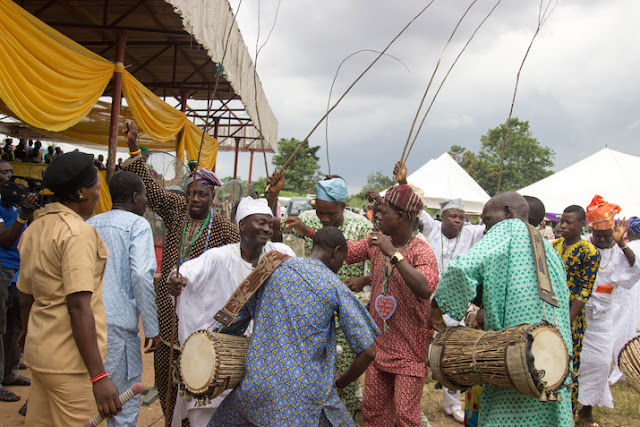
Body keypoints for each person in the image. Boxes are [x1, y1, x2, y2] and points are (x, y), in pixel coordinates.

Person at [120, 120, 239, 422]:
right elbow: (153, 192)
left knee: (198, 380)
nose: (195, 200)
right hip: (167, 311)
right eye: (191, 194)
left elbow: (242, 259)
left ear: (213, 198)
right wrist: (134, 146)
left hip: (201, 318)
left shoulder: (225, 230)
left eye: (202, 195)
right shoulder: (176, 211)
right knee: (164, 378)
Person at [209, 226, 379, 426]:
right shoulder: (335, 287)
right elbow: (368, 351)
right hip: (300, 397)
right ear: (337, 251)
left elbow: (234, 320)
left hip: (257, 385)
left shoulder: (272, 267)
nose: (342, 264)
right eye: (344, 258)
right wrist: (340, 383)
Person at [432, 191, 573, 427]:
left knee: (509, 411)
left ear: (507, 212)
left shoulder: (507, 230)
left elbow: (461, 269)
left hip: (518, 355)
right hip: (556, 356)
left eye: (487, 220)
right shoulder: (548, 248)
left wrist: (438, 307)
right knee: (548, 413)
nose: (485, 228)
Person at [167, 196, 294, 426]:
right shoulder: (220, 256)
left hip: (267, 356)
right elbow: (185, 273)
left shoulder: (282, 255)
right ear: (242, 225)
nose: (267, 229)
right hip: (226, 355)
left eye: (269, 223)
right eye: (260, 223)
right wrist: (175, 281)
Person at [17, 151, 122, 425]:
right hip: (71, 364)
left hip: (40, 354)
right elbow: (78, 305)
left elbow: (25, 295)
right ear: (79, 193)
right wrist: (99, 376)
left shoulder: (35, 228)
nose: (99, 196)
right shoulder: (77, 233)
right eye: (96, 189)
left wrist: (28, 332)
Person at [267, 171, 373, 416]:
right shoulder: (306, 221)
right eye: (320, 212)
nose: (324, 219)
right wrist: (272, 197)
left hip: (346, 320)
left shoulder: (362, 227)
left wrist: (365, 278)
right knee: (305, 377)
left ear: (343, 206)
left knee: (343, 381)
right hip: (310, 318)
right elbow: (274, 232)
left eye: (331, 213)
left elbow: (382, 264)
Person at [346, 184, 438, 427]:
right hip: (379, 348)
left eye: (383, 212)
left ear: (399, 217)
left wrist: (393, 254)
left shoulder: (422, 251)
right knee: (374, 412)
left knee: (406, 416)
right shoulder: (375, 242)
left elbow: (425, 287)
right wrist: (313, 232)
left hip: (409, 352)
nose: (377, 216)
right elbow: (345, 252)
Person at [87, 171, 160, 426]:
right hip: (119, 328)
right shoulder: (138, 225)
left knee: (89, 399)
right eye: (145, 197)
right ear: (135, 197)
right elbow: (141, 274)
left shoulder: (91, 223)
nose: (146, 203)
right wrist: (152, 328)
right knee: (123, 405)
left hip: (86, 323)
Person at [577, 196, 640, 424]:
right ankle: (571, 406)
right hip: (578, 316)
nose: (603, 240)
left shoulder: (620, 251)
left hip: (603, 321)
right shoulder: (584, 246)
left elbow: (635, 269)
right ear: (591, 232)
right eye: (599, 236)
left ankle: (586, 408)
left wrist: (622, 244)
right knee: (575, 362)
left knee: (601, 363)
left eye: (607, 236)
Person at [551, 204, 601, 415]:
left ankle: (567, 414)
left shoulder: (589, 252)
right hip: (548, 313)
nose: (562, 226)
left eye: (568, 223)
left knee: (568, 365)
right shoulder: (553, 246)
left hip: (572, 321)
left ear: (582, 225)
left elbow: (584, 293)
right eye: (562, 221)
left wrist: (565, 320)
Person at [0, 160, 36, 403]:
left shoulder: (13, 204)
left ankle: (10, 372)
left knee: (14, 325)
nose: (8, 176)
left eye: (10, 172)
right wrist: (23, 216)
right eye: (3, 172)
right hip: (3, 269)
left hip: (18, 271)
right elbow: (5, 240)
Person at [610, 216, 640, 384]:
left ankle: (621, 366)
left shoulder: (626, 248)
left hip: (624, 296)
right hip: (632, 297)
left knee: (619, 329)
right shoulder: (627, 248)